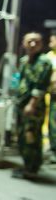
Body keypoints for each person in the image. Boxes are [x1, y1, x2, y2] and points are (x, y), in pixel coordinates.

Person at [12, 32, 52, 179]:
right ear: (24, 43)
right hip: (21, 104)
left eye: (36, 41)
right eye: (30, 41)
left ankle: (33, 168)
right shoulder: (24, 61)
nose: (33, 44)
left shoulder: (44, 62)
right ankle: (26, 165)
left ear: (42, 44)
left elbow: (40, 86)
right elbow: (20, 81)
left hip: (33, 107)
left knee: (32, 136)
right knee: (22, 136)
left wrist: (32, 104)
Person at [46, 33, 56, 163]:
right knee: (51, 123)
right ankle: (53, 149)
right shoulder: (48, 57)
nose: (51, 42)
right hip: (51, 96)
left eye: (53, 40)